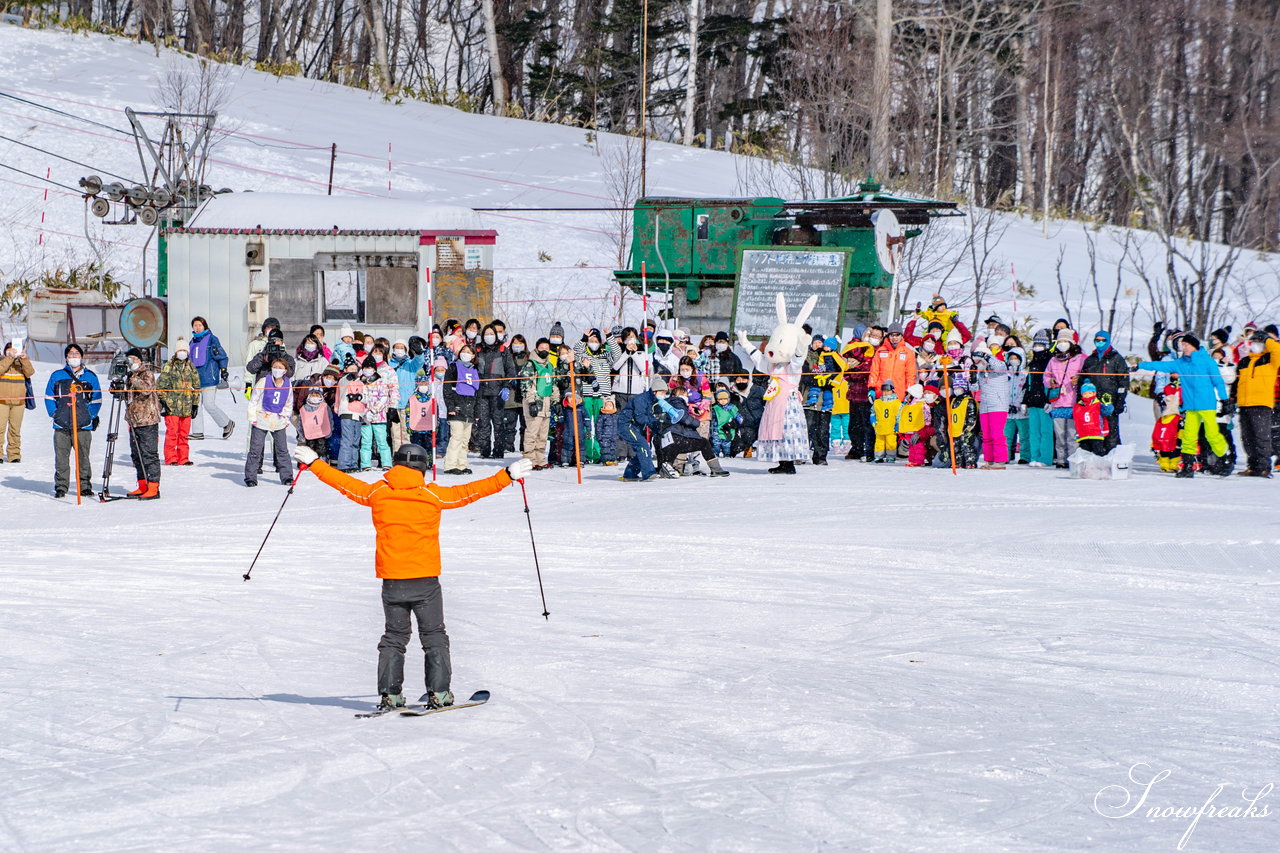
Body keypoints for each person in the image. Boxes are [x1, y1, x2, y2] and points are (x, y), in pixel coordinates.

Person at [292, 440, 533, 712]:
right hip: (425, 581)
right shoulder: (431, 495)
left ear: (395, 463)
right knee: (434, 637)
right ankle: (439, 693)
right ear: (423, 467)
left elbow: (344, 483)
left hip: (392, 581)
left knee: (394, 637)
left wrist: (315, 463)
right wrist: (506, 476)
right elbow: (470, 492)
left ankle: (390, 696)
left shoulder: (378, 492)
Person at [1135, 334, 1230, 478]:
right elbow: (1161, 365)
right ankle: (1187, 466)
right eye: (1182, 345)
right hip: (1190, 407)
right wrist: (1140, 366)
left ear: (1194, 346)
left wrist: (1225, 400)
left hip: (1206, 405)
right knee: (1188, 437)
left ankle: (1224, 459)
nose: (1183, 347)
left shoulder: (1207, 362)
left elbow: (1218, 382)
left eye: (1186, 345)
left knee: (1211, 434)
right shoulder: (1181, 363)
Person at [44, 344, 101, 498]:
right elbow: (49, 397)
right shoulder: (57, 375)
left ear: (81, 357)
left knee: (83, 457)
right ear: (66, 357)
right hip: (61, 424)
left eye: (77, 354)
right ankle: (61, 486)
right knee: (61, 458)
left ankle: (84, 486)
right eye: (71, 354)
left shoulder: (90, 376)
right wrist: (54, 414)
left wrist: (90, 416)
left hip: (83, 425)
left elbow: (97, 400)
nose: (74, 356)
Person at [111, 348, 162, 499]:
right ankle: (142, 485)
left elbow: (146, 390)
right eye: (129, 359)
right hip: (133, 421)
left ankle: (153, 487)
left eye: (134, 359)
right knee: (136, 455)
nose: (132, 362)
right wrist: (117, 389)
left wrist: (133, 376)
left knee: (149, 454)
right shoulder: (129, 377)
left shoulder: (146, 374)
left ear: (140, 360)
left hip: (148, 420)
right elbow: (127, 397)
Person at [653, 384, 730, 478]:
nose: (685, 397)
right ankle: (716, 469)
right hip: (675, 437)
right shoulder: (677, 401)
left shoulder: (660, 405)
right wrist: (697, 423)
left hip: (661, 439)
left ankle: (664, 468)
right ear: (674, 395)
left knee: (671, 449)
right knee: (704, 443)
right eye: (683, 394)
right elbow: (683, 417)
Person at [1235, 329, 1279, 477]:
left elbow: (1278, 350)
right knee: (1247, 438)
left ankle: (1264, 467)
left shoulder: (1270, 360)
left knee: (1261, 436)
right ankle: (1253, 466)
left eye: (1259, 342)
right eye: (1254, 342)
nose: (1256, 345)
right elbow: (1237, 382)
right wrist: (1232, 399)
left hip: (1260, 403)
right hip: (1244, 403)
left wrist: (1267, 340)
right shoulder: (1244, 361)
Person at [244, 357, 294, 487]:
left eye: (280, 368)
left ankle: (287, 476)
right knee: (255, 449)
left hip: (278, 421)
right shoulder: (263, 381)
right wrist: (252, 416)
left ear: (285, 371)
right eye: (275, 367)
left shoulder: (288, 384)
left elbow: (289, 403)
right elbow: (254, 400)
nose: (277, 370)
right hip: (261, 419)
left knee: (282, 450)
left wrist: (286, 417)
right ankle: (250, 477)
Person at [1076, 330, 1129, 453]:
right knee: (1094, 432)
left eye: (1103, 340)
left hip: (1110, 401)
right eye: (1097, 340)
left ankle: (1113, 457)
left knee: (1111, 432)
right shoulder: (1090, 359)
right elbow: (1082, 380)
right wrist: (1080, 397)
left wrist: (1120, 400)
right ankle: (1095, 457)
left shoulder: (1116, 358)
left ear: (1108, 341)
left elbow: (1123, 381)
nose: (1100, 342)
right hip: (1092, 402)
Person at [575, 328, 618, 465]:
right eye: (591, 341)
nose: (593, 343)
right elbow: (575, 352)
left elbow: (617, 354)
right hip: (587, 395)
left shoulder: (605, 355)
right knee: (588, 427)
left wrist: (609, 336)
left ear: (600, 342)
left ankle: (601, 453)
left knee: (602, 427)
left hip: (602, 396)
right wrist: (583, 338)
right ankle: (588, 453)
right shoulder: (584, 355)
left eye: (596, 341)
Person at [472, 325, 516, 459]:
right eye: (487, 333)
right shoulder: (478, 349)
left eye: (492, 333)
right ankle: (484, 450)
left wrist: (507, 386)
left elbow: (510, 370)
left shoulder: (503, 350)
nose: (489, 336)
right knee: (483, 423)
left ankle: (498, 450)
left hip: (498, 392)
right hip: (481, 392)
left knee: (498, 423)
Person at [187, 317, 233, 441]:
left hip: (209, 377)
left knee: (209, 405)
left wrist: (223, 371)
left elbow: (222, 356)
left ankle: (227, 423)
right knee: (195, 405)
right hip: (196, 380)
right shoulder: (192, 342)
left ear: (204, 326)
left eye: (200, 325)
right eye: (195, 325)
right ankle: (197, 432)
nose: (197, 327)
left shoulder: (212, 339)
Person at [1045, 329, 1086, 469]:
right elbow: (1045, 376)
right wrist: (1050, 381)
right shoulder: (1053, 360)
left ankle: (1073, 459)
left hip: (1074, 402)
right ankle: (1061, 459)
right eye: (1060, 341)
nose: (1062, 344)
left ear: (1071, 343)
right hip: (1058, 402)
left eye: (1065, 341)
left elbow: (1087, 376)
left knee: (1072, 434)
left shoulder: (1080, 358)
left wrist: (1079, 379)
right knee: (1059, 434)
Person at [158, 337, 200, 466]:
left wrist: (195, 404)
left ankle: (184, 458)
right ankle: (171, 457)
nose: (182, 352)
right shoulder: (168, 366)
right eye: (180, 350)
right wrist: (163, 401)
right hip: (172, 406)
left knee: (184, 434)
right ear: (176, 352)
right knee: (172, 433)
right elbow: (160, 385)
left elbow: (196, 386)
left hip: (186, 406)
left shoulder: (191, 367)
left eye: (184, 350)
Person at [442, 344, 480, 475]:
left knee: (465, 440)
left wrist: (477, 412)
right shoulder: (453, 367)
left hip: (470, 408)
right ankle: (450, 465)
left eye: (469, 351)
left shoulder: (475, 370)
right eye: (463, 350)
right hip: (457, 406)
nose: (465, 353)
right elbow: (447, 389)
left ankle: (461, 464)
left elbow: (478, 393)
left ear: (473, 356)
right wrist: (450, 406)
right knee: (456, 437)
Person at [617, 376, 664, 482]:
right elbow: (641, 418)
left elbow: (651, 419)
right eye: (662, 392)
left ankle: (630, 474)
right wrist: (655, 419)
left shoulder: (655, 402)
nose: (663, 395)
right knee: (642, 445)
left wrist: (657, 429)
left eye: (665, 392)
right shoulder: (641, 399)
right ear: (655, 391)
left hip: (635, 426)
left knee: (642, 448)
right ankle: (649, 472)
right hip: (627, 425)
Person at [519, 338, 556, 469]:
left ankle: (540, 458)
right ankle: (529, 459)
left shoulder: (549, 366)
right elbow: (525, 384)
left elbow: (553, 385)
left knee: (543, 435)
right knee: (532, 433)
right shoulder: (531, 364)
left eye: (547, 348)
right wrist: (531, 401)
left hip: (546, 404)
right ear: (536, 349)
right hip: (535, 403)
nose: (544, 350)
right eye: (542, 348)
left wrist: (555, 400)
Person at [973, 344, 1011, 469]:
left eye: (979, 361)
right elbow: (974, 389)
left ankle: (1000, 461)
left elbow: (1001, 365)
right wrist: (972, 380)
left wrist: (987, 356)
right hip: (985, 406)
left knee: (997, 434)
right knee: (987, 435)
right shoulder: (981, 373)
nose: (977, 363)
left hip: (998, 405)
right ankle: (989, 460)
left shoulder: (998, 368)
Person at [1022, 331, 1054, 467]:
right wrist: (1024, 400)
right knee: (1033, 431)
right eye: (1035, 345)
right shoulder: (1033, 361)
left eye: (1040, 345)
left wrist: (1049, 400)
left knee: (1045, 431)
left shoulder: (1050, 360)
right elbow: (1028, 382)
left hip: (1044, 402)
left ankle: (1045, 458)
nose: (1037, 347)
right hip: (1032, 402)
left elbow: (1051, 382)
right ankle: (1034, 456)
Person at [0, 339, 35, 463]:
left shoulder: (21, 363)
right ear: (5, 352)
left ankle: (14, 454)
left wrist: (24, 359)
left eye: (15, 349)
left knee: (15, 430)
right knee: (0, 429)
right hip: (2, 401)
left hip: (19, 402)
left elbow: (30, 372)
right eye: (9, 349)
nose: (13, 351)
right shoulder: (2, 361)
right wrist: (9, 358)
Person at [359, 355, 396, 471]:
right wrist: (365, 412)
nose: (367, 370)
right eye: (365, 368)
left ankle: (386, 463)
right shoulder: (360, 382)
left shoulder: (381, 382)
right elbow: (360, 398)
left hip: (379, 417)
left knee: (382, 442)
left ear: (374, 369)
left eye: (369, 368)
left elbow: (384, 398)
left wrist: (374, 410)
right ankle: (365, 464)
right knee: (366, 443)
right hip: (365, 418)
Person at [868, 322, 917, 403]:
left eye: (897, 335)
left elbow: (910, 374)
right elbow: (874, 371)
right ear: (888, 336)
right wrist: (872, 388)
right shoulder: (880, 351)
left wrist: (909, 392)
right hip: (881, 393)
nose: (894, 337)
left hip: (899, 394)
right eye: (892, 335)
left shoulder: (908, 352)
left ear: (901, 336)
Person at [1003, 347, 1030, 465]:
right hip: (1008, 411)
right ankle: (1005, 455)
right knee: (1006, 435)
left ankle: (1025, 456)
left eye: (1016, 358)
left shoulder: (1025, 374)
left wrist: (1020, 403)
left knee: (1024, 436)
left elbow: (1025, 390)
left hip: (1022, 411)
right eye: (1012, 358)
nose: (1014, 360)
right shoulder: (1005, 374)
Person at [296, 386, 334, 463]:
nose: (315, 398)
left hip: (321, 432)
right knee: (310, 447)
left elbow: (330, 419)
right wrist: (301, 435)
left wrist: (330, 429)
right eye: (313, 395)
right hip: (309, 433)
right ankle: (311, 463)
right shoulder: (304, 408)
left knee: (322, 447)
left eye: (317, 396)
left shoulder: (325, 407)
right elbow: (300, 423)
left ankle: (322, 461)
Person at [871, 381, 901, 463]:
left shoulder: (896, 403)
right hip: (880, 426)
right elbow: (873, 413)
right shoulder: (877, 402)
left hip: (891, 427)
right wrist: (873, 421)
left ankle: (891, 456)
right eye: (883, 391)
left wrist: (898, 424)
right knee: (879, 443)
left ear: (892, 391)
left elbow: (899, 415)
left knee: (891, 443)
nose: (885, 393)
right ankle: (878, 456)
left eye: (887, 391)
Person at [711, 388, 741, 457]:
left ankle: (727, 454)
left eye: (725, 399)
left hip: (728, 428)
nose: (723, 401)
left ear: (728, 399)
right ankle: (716, 454)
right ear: (717, 400)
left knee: (726, 442)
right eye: (720, 399)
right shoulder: (715, 408)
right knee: (716, 442)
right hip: (717, 428)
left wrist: (739, 418)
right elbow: (712, 416)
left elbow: (736, 414)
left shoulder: (731, 407)